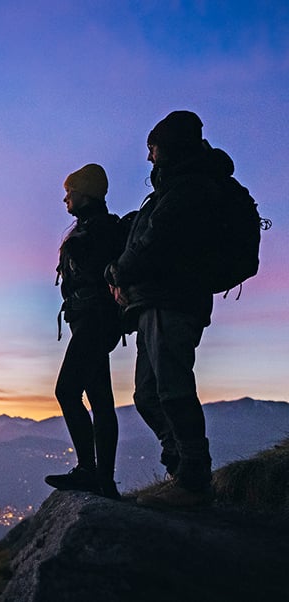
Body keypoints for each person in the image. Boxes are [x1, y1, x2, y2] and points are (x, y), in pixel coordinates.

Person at [107, 111, 234, 508]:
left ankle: (193, 479)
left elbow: (153, 244)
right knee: (147, 394)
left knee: (172, 389)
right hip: (155, 303)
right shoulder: (173, 189)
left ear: (171, 145)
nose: (149, 158)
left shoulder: (189, 190)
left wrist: (115, 272)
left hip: (173, 302)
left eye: (153, 147)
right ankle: (182, 468)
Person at [44, 163, 125, 500]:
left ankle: (89, 471)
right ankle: (102, 479)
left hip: (92, 321)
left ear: (85, 193)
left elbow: (94, 274)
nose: (65, 199)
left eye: (70, 193)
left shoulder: (100, 230)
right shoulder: (99, 227)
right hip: (93, 321)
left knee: (67, 391)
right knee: (100, 400)